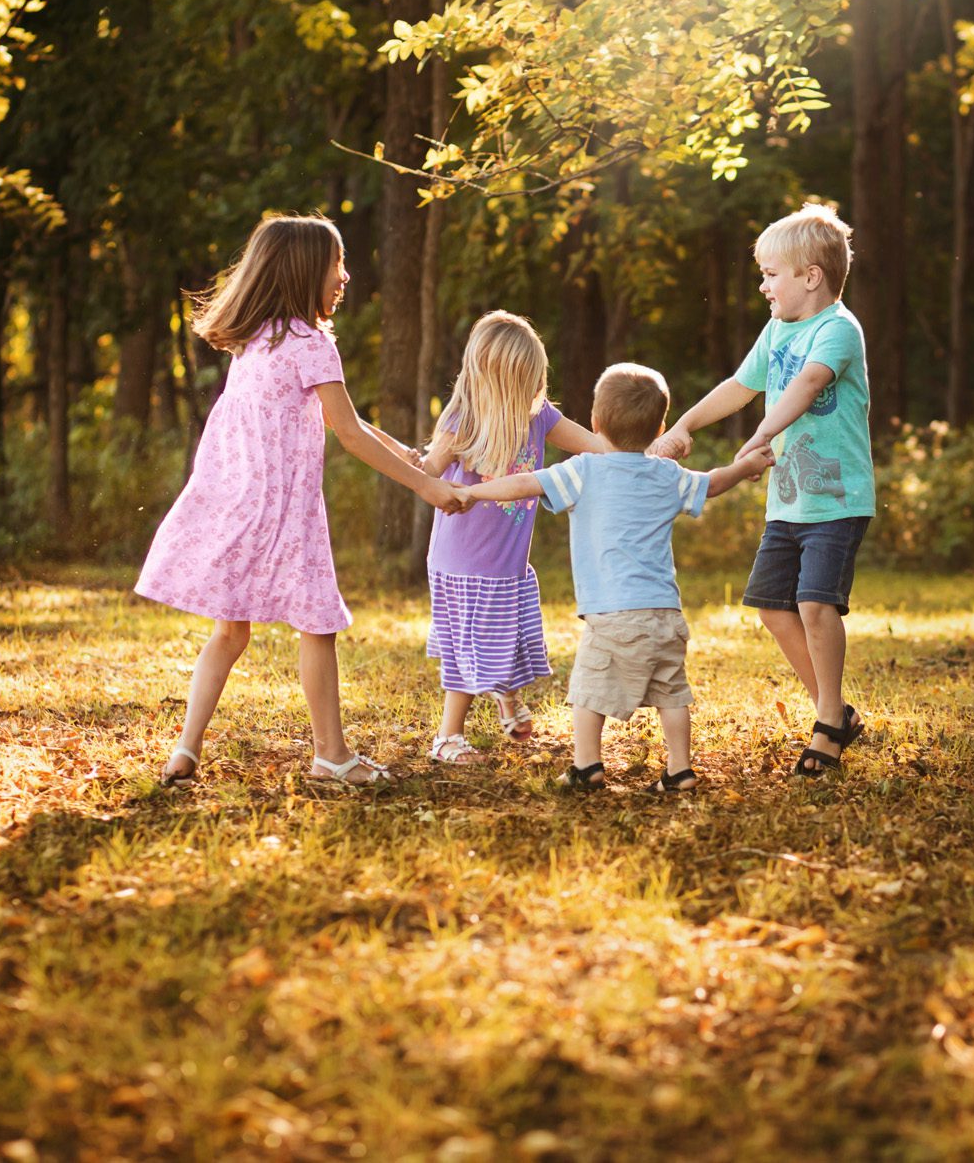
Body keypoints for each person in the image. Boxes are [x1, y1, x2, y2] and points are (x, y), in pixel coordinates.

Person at [136, 214, 459, 789]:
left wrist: (408, 453)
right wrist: (427, 486)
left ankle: (186, 747)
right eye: (337, 264)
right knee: (318, 627)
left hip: (241, 504)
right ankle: (331, 755)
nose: (346, 276)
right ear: (307, 269)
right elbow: (350, 433)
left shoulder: (256, 341)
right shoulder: (311, 345)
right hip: (288, 513)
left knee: (230, 633)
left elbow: (348, 423)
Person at [453, 362, 772, 793]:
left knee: (587, 690)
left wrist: (471, 492)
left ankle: (586, 766)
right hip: (665, 613)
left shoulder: (584, 470)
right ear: (660, 426)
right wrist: (746, 465)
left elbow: (524, 484)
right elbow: (711, 484)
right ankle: (679, 770)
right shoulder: (665, 473)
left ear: (596, 422)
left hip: (613, 615)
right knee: (673, 693)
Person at [649, 203, 875, 777]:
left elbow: (806, 385)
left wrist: (760, 435)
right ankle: (838, 712)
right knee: (774, 608)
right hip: (789, 501)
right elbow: (740, 385)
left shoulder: (838, 329)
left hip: (836, 498)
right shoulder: (777, 329)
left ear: (811, 277)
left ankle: (827, 724)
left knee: (815, 603)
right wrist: (683, 425)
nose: (762, 284)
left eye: (771, 274)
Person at [420, 311, 610, 765]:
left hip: (505, 561)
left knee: (506, 636)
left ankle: (505, 694)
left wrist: (642, 448)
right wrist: (423, 462)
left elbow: (594, 445)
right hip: (463, 560)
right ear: (499, 379)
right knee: (470, 647)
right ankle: (448, 737)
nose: (534, 388)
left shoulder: (538, 415)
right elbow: (426, 472)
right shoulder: (464, 419)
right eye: (525, 379)